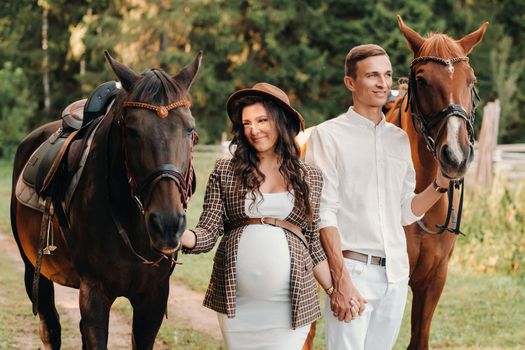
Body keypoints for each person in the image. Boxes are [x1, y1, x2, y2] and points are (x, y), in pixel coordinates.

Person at [304, 44, 451, 349]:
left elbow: (405, 211)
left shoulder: (398, 141)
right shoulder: (327, 136)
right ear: (350, 83)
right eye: (372, 75)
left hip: (395, 276)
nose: (383, 83)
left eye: (387, 75)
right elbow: (323, 214)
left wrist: (440, 183)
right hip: (353, 272)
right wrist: (340, 281)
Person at [181, 82, 341, 350]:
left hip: (290, 304)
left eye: (262, 120)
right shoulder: (225, 171)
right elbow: (209, 230)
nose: (254, 130)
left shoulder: (309, 177)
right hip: (238, 304)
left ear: (280, 121)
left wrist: (336, 291)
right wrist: (180, 235)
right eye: (246, 123)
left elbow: (313, 244)